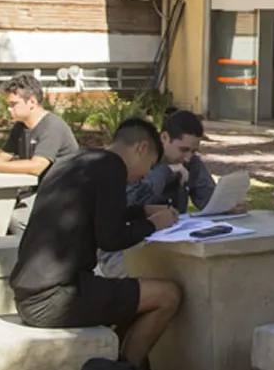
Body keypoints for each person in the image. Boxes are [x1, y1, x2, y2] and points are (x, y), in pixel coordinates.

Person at [9, 118, 182, 370]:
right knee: (168, 294)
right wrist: (154, 225)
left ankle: (120, 363)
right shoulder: (112, 167)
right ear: (141, 148)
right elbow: (110, 239)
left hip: (29, 295)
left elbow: (98, 215)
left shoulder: (77, 162)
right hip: (57, 297)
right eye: (150, 165)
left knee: (137, 293)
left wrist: (141, 211)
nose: (146, 175)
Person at [98, 109, 237, 279]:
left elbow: (208, 201)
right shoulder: (138, 159)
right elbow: (129, 201)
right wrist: (165, 172)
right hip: (130, 245)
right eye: (183, 149)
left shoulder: (191, 163)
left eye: (193, 151)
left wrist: (229, 204)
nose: (187, 157)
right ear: (164, 138)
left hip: (175, 244)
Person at [0, 73, 79, 233]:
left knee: (16, 220)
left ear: (32, 102)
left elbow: (37, 166)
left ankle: (25, 256)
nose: (9, 109)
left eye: (13, 104)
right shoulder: (21, 126)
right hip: (33, 191)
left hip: (59, 194)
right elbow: (3, 156)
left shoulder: (52, 127)